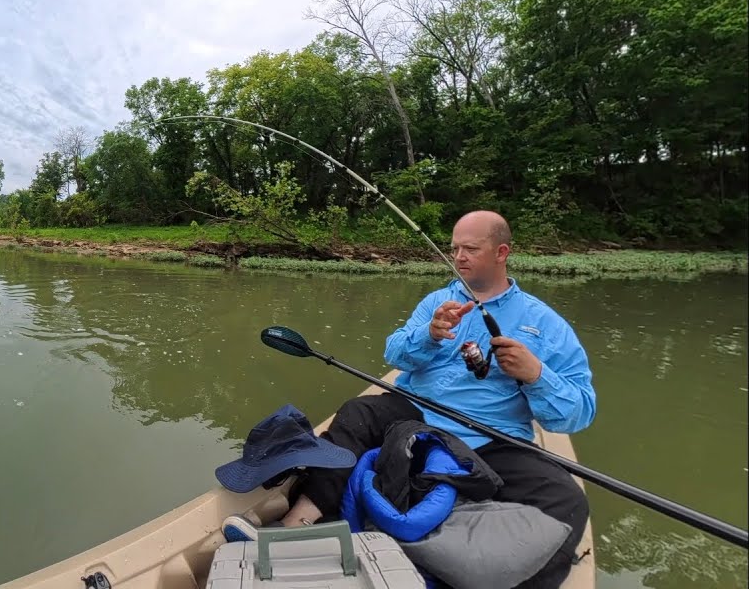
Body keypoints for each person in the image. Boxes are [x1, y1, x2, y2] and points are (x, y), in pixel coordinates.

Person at [222, 210, 595, 589]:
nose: (459, 257)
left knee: (567, 500)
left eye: (470, 248)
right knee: (358, 412)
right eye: (454, 248)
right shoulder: (437, 301)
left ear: (501, 252)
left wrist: (536, 374)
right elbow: (396, 354)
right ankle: (294, 523)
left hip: (492, 436)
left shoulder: (544, 322)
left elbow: (576, 413)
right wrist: (430, 334)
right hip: (414, 414)